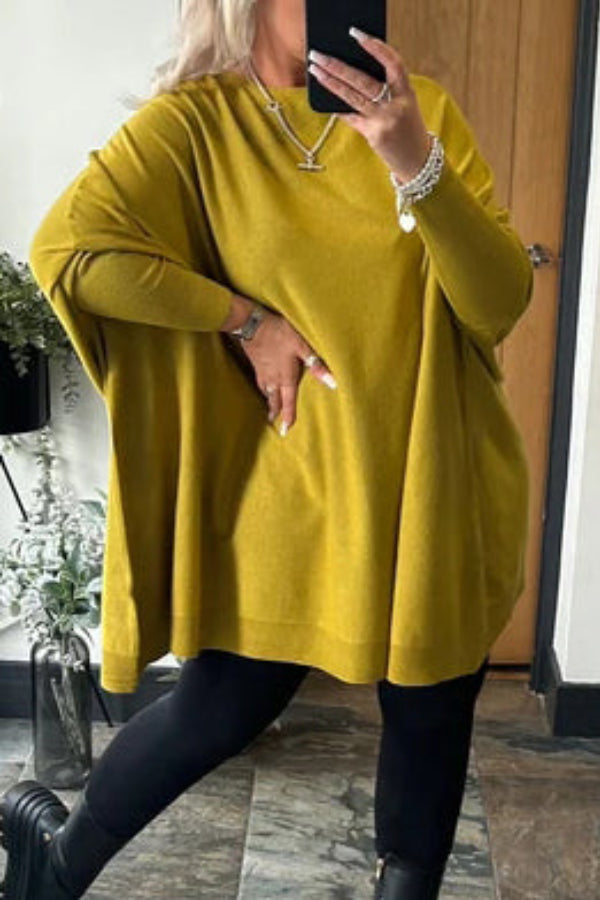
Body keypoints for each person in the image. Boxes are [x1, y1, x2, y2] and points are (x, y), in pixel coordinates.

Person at [0, 0, 533, 897]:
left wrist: (416, 165)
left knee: (431, 721)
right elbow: (73, 251)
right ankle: (51, 866)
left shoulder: (425, 117)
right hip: (289, 490)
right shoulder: (195, 126)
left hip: (434, 481)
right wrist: (245, 320)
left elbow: (498, 304)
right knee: (217, 713)